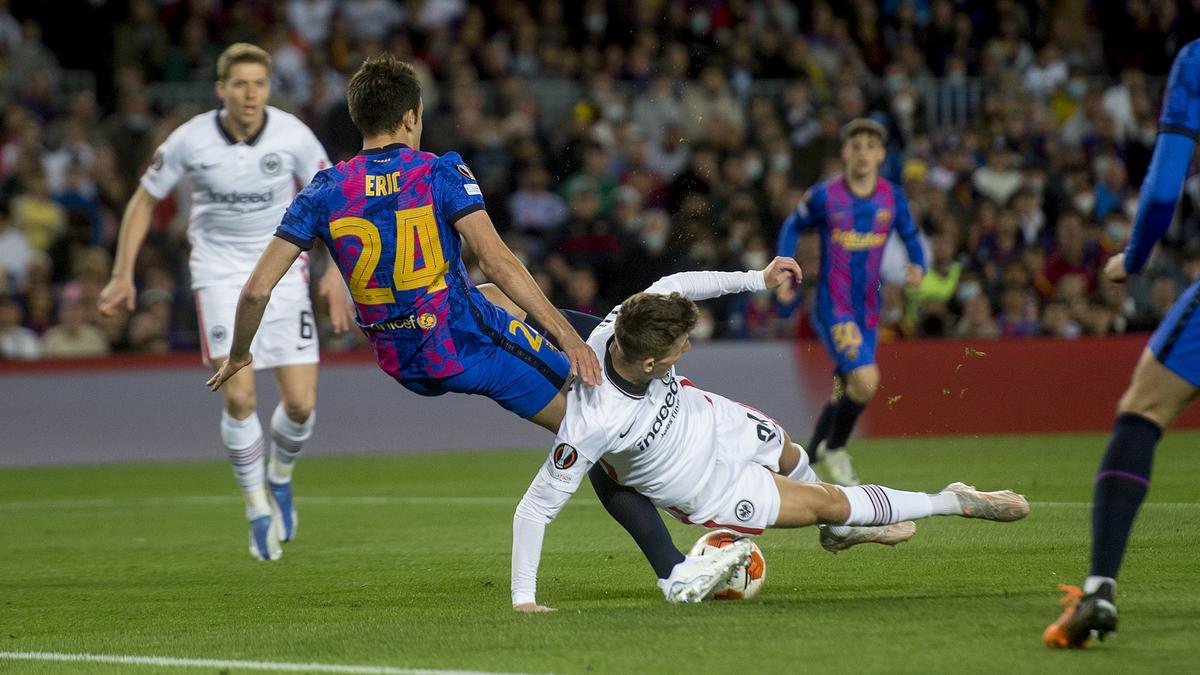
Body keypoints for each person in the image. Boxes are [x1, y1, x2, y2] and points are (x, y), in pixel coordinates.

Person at [510, 258, 1030, 612]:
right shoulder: (590, 422)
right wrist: (524, 599)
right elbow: (535, 509)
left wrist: (757, 278)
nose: (686, 350)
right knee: (826, 501)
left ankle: (843, 532)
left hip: (714, 419)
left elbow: (684, 282)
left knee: (790, 451)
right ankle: (953, 502)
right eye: (679, 349)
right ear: (649, 362)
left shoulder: (634, 316)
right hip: (707, 485)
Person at [98, 43, 353, 562]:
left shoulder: (293, 134)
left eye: (259, 83)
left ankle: (279, 477)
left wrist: (337, 275)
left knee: (301, 406)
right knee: (240, 399)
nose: (251, 93)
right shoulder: (190, 140)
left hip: (283, 270)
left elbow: (336, 198)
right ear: (221, 90)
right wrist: (122, 272)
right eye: (240, 84)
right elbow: (145, 199)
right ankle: (257, 505)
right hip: (218, 275)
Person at [1043, 39, 1200, 649]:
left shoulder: (1193, 61)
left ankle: (1100, 588)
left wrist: (1132, 259)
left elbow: (1163, 191)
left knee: (1143, 408)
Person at [776, 118, 926, 486]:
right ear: (845, 152)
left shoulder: (891, 197)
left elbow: (910, 234)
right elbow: (792, 226)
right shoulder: (826, 196)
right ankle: (837, 448)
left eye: (869, 146)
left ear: (881, 155)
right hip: (834, 306)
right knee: (867, 380)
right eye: (855, 145)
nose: (862, 153)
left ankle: (809, 455)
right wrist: (783, 269)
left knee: (847, 387)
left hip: (868, 310)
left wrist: (918, 265)